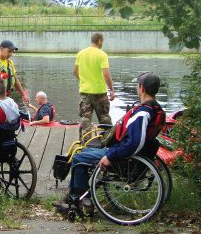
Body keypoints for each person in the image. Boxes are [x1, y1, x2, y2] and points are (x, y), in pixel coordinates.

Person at [53, 72, 165, 215]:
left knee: (78, 159)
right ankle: (81, 196)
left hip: (124, 158)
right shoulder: (156, 109)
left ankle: (76, 200)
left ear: (141, 88)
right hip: (132, 155)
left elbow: (135, 143)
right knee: (85, 151)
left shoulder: (143, 114)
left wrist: (111, 156)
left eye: (137, 85)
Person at [74, 32, 115, 137]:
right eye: (102, 41)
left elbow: (75, 71)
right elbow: (106, 74)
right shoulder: (102, 54)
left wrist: (83, 80)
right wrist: (112, 90)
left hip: (84, 92)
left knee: (85, 119)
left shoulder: (81, 53)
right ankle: (108, 140)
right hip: (99, 92)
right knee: (104, 118)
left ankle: (85, 142)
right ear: (100, 41)